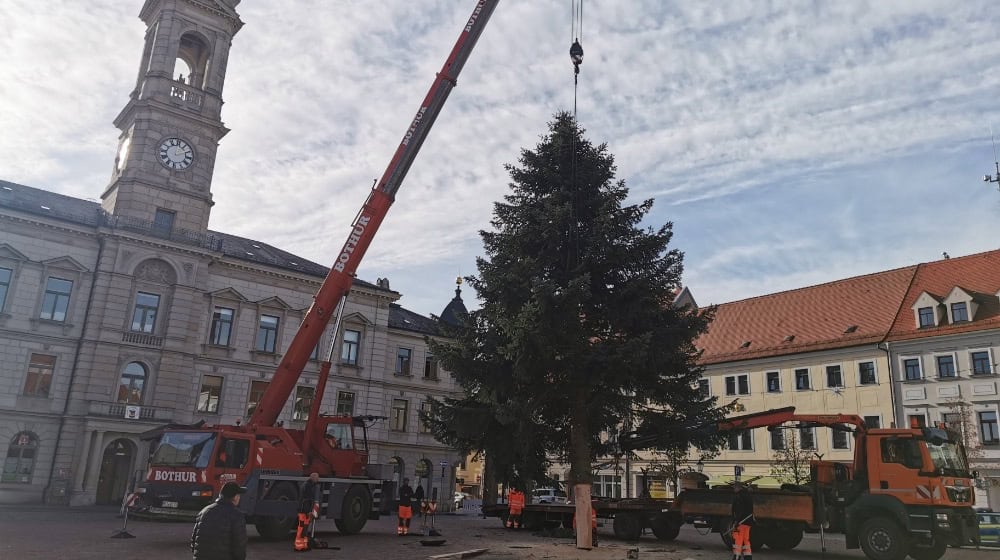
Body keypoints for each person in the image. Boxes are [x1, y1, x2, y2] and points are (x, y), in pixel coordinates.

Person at [191, 481, 247, 560]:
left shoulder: (204, 512)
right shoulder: (236, 515)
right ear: (235, 497)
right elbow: (239, 546)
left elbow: (194, 541)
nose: (239, 497)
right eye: (239, 495)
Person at [295, 472, 321, 551]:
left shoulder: (306, 485)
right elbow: (307, 500)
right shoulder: (308, 486)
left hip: (303, 512)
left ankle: (304, 545)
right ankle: (300, 546)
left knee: (303, 529)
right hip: (304, 512)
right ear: (313, 478)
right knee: (302, 529)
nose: (318, 479)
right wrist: (309, 512)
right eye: (317, 478)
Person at [731, 482, 755, 560]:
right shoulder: (748, 496)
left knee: (738, 540)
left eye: (734, 488)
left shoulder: (739, 496)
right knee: (746, 540)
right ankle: (748, 557)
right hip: (748, 522)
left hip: (741, 522)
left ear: (739, 488)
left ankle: (736, 557)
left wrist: (736, 521)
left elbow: (739, 510)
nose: (734, 489)